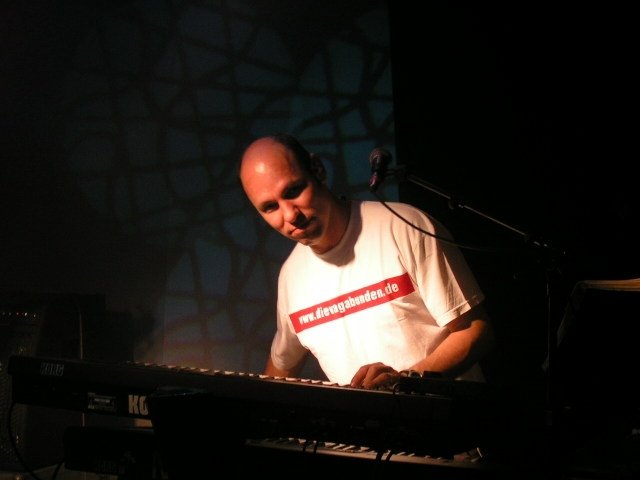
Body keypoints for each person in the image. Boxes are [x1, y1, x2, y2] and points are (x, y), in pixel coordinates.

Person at [239, 133, 495, 390]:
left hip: (447, 412)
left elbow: (475, 330)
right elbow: (281, 366)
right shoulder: (290, 277)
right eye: (270, 207)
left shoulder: (405, 227)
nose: (290, 215)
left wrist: (405, 381)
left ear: (317, 169)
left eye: (293, 191)